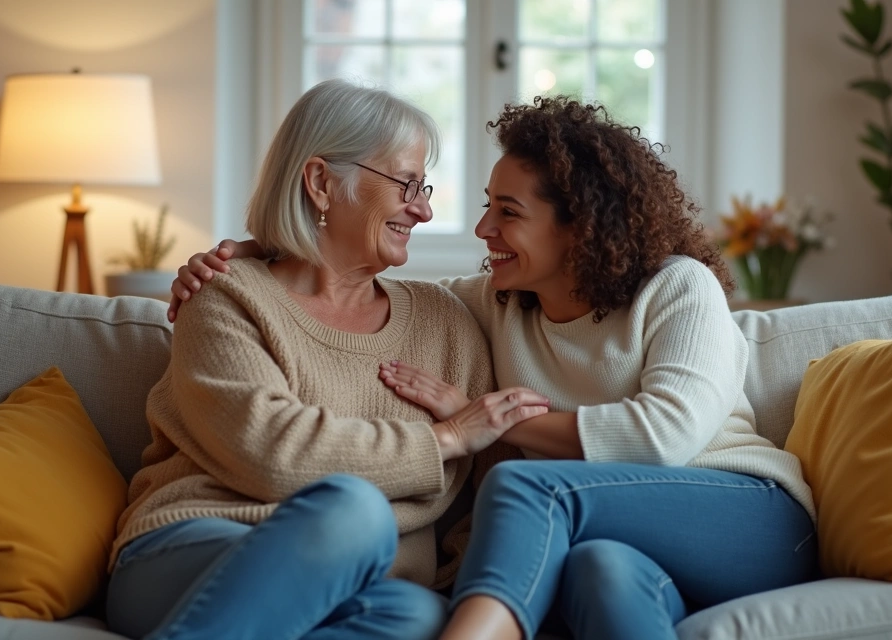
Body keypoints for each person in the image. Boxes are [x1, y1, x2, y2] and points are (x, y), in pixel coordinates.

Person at [168, 96, 818, 640]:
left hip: (748, 515)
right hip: (622, 543)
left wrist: (474, 421)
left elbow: (663, 436)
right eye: (486, 205)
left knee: (528, 487)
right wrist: (261, 249)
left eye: (508, 213)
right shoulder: (496, 305)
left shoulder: (678, 287)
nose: (482, 227)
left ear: (581, 226)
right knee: (600, 572)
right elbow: (339, 272)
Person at [106, 79, 550, 640]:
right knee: (352, 510)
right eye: (407, 184)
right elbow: (275, 454)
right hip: (194, 554)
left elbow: (488, 497)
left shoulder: (448, 322)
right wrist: (445, 438)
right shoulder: (226, 296)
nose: (425, 210)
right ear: (320, 182)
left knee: (416, 616)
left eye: (425, 186)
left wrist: (457, 580)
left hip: (360, 594)